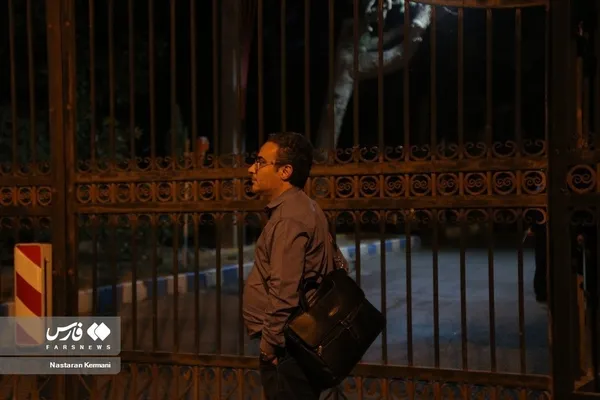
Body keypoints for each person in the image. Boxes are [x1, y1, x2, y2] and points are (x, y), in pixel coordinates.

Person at [242, 132, 335, 400]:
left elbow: (284, 290)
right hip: (298, 342)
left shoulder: (289, 219)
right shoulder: (306, 207)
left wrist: (269, 346)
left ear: (285, 171)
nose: (251, 169)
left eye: (260, 162)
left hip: (287, 350)